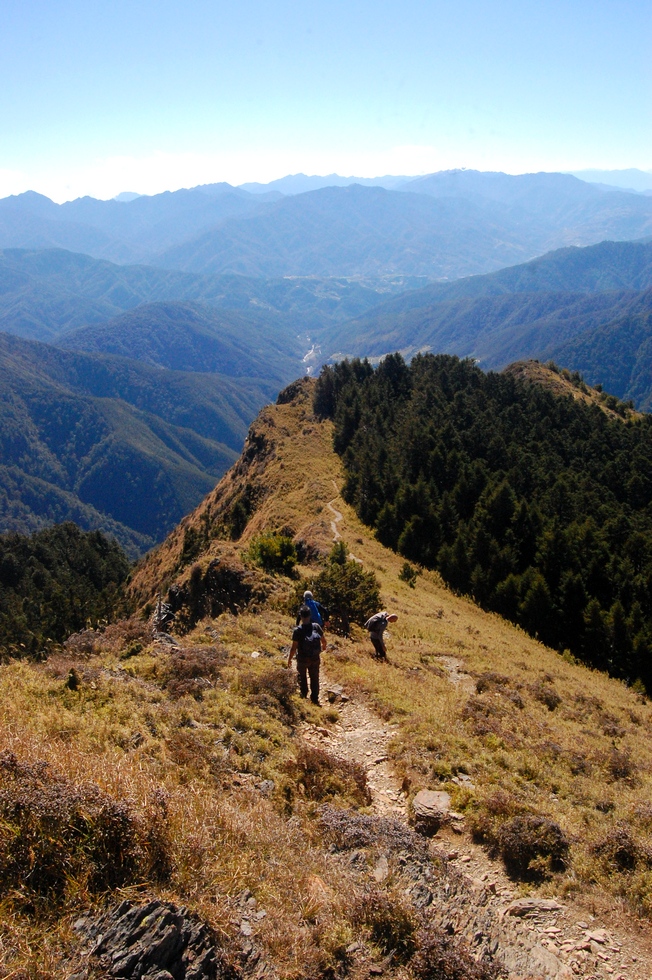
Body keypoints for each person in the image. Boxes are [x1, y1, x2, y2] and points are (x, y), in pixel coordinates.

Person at [288, 604, 327, 704]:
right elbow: (324, 641)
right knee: (314, 677)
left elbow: (294, 647)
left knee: (302, 676)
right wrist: (322, 649)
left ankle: (304, 694)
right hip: (315, 658)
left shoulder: (298, 630)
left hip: (302, 659)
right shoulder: (316, 627)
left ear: (300, 617)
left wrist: (289, 659)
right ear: (310, 615)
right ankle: (315, 698)